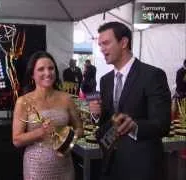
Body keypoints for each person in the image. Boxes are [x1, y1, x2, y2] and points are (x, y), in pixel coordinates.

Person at [89, 21, 171, 180]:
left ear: (124, 42)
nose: (102, 49)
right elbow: (107, 121)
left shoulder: (152, 75)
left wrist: (134, 126)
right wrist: (96, 115)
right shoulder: (105, 80)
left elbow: (162, 124)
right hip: (111, 163)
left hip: (142, 166)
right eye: (100, 45)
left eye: (106, 43)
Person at [12, 51, 83, 180]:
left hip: (64, 167)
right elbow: (17, 140)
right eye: (41, 69)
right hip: (35, 168)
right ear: (32, 74)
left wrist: (68, 140)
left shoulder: (66, 98)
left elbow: (79, 128)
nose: (48, 73)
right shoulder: (23, 101)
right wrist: (40, 132)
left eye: (51, 68)